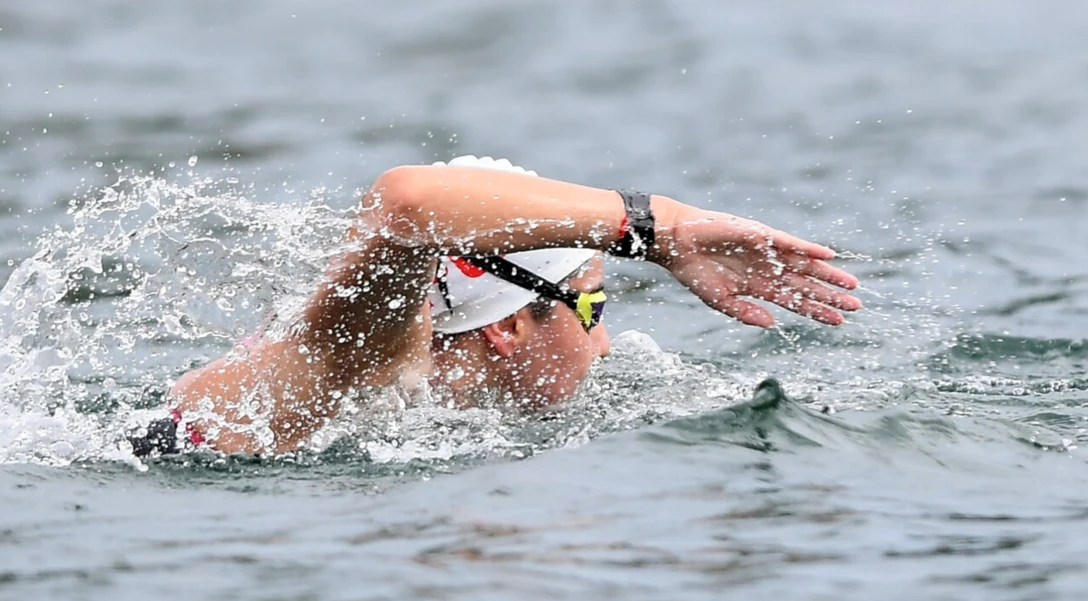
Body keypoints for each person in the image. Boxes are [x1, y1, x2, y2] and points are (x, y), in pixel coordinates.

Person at [128, 156, 860, 457]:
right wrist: (655, 225)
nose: (604, 345)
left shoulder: (389, 385)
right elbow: (408, 201)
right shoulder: (370, 357)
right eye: (592, 305)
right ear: (507, 324)